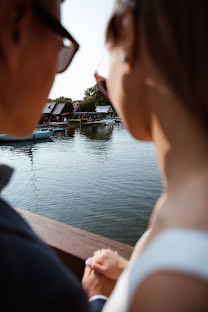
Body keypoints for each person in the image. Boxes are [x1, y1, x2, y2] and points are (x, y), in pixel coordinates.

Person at [82, 0, 208, 311]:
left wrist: (97, 300)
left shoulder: (172, 286)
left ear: (128, 35)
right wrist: (130, 271)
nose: (102, 81)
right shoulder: (177, 204)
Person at [0, 0, 110, 311]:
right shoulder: (23, 269)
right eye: (62, 49)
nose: (56, 75)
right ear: (16, 27)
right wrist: (97, 297)